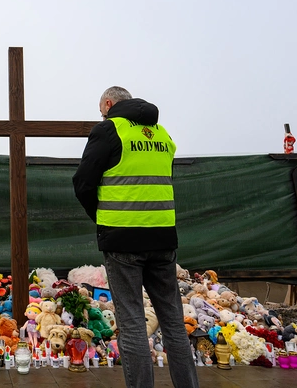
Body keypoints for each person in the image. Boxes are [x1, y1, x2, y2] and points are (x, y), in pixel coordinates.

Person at [73, 86, 198, 388]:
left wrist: (104, 220)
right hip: (163, 239)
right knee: (173, 323)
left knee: (131, 325)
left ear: (107, 103)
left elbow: (83, 183)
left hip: (123, 241)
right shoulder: (163, 134)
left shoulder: (108, 130)